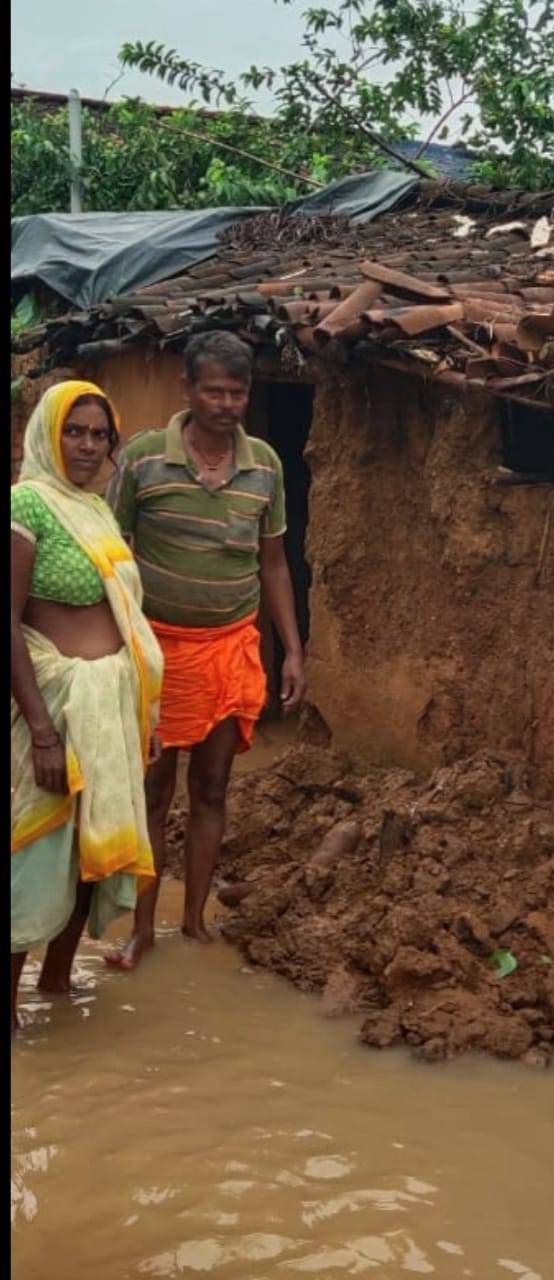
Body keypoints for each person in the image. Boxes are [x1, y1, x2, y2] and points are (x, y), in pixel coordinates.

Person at [105, 331, 306, 969]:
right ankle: (141, 929)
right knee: (155, 791)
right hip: (158, 655)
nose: (226, 403)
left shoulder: (266, 466)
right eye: (214, 390)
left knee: (213, 789)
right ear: (187, 390)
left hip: (230, 647)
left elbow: (273, 563)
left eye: (238, 392)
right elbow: (112, 556)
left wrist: (293, 650)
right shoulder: (142, 460)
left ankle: (191, 922)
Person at [11, 381, 164, 1031]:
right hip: (54, 709)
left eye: (101, 434)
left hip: (111, 710)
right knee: (34, 854)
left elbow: (123, 616)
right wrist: (43, 732)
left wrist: (141, 720)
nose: (88, 445)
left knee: (87, 859)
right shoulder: (28, 504)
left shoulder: (98, 509)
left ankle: (58, 986)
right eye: (75, 431)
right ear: (48, 433)